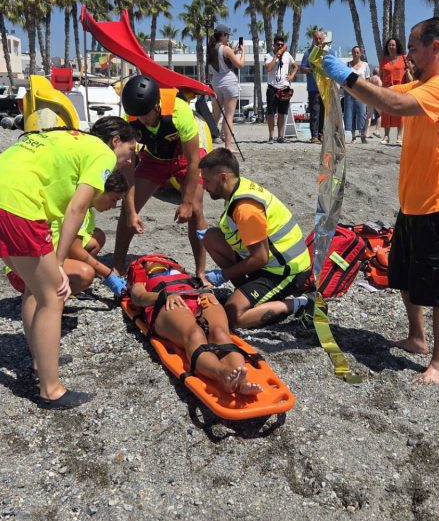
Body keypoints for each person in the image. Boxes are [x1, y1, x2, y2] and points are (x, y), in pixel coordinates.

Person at [322, 16, 439, 385]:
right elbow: (384, 93)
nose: (409, 56)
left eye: (414, 49)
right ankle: (417, 338)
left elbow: (394, 103)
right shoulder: (425, 84)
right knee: (403, 274)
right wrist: (346, 75)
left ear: (434, 48)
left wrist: (347, 77)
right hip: (414, 204)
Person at [0, 115, 137, 409]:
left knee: (35, 289)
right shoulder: (103, 152)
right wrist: (58, 263)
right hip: (16, 202)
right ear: (116, 141)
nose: (129, 159)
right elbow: (77, 208)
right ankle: (51, 390)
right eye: (131, 150)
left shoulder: (69, 137)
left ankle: (40, 361)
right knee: (53, 294)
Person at [198, 148, 314, 330]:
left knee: (233, 316)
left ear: (223, 178)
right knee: (212, 238)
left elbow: (260, 258)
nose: (204, 186)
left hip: (285, 271)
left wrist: (223, 275)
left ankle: (301, 303)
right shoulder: (238, 188)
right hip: (269, 262)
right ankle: (248, 294)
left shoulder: (245, 209)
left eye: (206, 181)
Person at [112, 75, 209, 284]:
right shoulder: (131, 116)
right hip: (155, 158)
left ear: (156, 105)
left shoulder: (179, 111)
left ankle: (201, 272)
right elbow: (128, 165)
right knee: (128, 208)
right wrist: (131, 210)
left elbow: (194, 161)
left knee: (196, 210)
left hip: (185, 157)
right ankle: (117, 266)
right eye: (138, 115)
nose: (142, 120)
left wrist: (186, 202)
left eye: (146, 114)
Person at [126, 256, 262, 395]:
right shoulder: (142, 279)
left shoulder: (182, 273)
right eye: (149, 259)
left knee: (220, 333)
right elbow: (138, 298)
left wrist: (207, 291)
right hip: (167, 302)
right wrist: (162, 296)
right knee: (195, 334)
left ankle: (242, 381)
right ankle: (222, 373)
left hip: (197, 297)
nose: (156, 259)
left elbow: (204, 284)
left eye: (160, 257)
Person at [5, 171, 129, 294]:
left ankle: (63, 280)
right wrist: (108, 274)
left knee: (97, 237)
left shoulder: (86, 209)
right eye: (114, 199)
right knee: (86, 274)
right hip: (23, 273)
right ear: (100, 190)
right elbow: (75, 250)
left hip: (32, 261)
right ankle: (50, 296)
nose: (114, 206)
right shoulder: (78, 209)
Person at [206, 24, 244, 153]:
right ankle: (228, 146)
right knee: (229, 116)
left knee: (215, 116)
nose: (228, 38)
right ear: (223, 35)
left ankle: (207, 143)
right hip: (228, 81)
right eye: (227, 35)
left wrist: (234, 51)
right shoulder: (226, 49)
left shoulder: (210, 49)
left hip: (215, 83)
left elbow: (221, 58)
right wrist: (243, 51)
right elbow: (240, 65)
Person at [264, 34, 297, 143]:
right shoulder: (268, 55)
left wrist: (291, 76)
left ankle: (280, 136)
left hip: (284, 87)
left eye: (282, 45)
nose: (280, 47)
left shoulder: (287, 55)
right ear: (274, 45)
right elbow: (268, 68)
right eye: (278, 44)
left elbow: (295, 66)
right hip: (272, 88)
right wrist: (276, 56)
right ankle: (271, 136)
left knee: (282, 113)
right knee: (271, 113)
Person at [378, 37, 411, 144]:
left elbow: (410, 70)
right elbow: (381, 75)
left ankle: (399, 136)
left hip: (400, 88)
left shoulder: (403, 58)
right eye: (389, 45)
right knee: (386, 112)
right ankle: (386, 136)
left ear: (397, 46)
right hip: (387, 89)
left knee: (400, 112)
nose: (391, 47)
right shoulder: (384, 59)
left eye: (393, 45)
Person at [299, 29, 327, 145]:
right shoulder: (308, 52)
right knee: (315, 113)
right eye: (316, 38)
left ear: (323, 39)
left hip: (325, 88)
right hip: (313, 88)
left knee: (324, 113)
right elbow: (301, 68)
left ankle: (322, 135)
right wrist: (312, 70)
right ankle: (314, 136)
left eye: (320, 38)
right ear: (313, 40)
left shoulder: (328, 52)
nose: (318, 40)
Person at [342, 46, 372, 143]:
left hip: (361, 93)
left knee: (362, 114)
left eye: (357, 52)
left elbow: (367, 79)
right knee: (350, 115)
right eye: (354, 52)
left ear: (360, 53)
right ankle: (353, 136)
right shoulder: (348, 65)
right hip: (350, 93)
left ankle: (363, 135)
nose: (355, 54)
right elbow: (344, 78)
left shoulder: (365, 65)